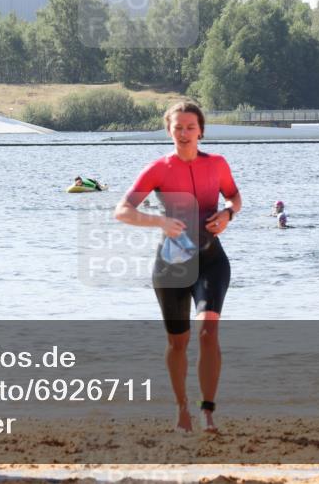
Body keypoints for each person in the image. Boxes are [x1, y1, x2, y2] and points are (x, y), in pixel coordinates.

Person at [114, 101, 241, 433]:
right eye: (178, 128)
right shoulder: (158, 168)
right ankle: (181, 408)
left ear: (201, 130)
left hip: (212, 261)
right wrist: (158, 221)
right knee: (178, 342)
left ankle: (207, 411)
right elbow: (122, 211)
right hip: (171, 266)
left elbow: (235, 197)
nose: (184, 133)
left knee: (208, 331)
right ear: (169, 131)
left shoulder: (218, 164)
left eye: (190, 127)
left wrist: (228, 214)